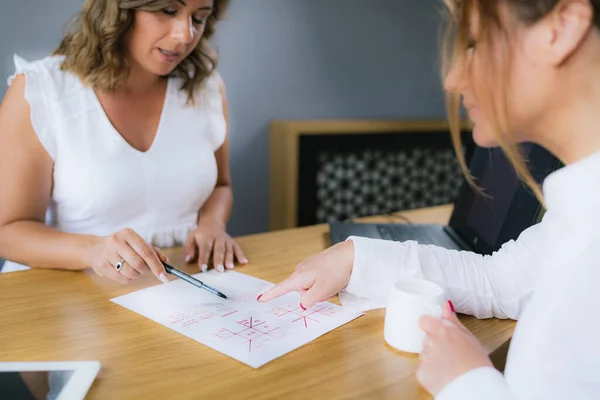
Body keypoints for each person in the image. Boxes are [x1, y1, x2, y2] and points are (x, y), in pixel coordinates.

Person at [258, 0, 600, 398]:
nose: (453, 79)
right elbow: (502, 280)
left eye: (472, 42)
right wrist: (357, 260)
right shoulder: (577, 215)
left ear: (561, 29)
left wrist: (469, 383)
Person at [0, 0, 247, 283]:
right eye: (168, 11)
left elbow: (221, 185)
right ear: (119, 8)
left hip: (179, 288)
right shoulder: (41, 90)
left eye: (199, 18)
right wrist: (92, 250)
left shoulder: (207, 88)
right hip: (63, 296)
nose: (185, 34)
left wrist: (212, 225)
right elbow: (7, 231)